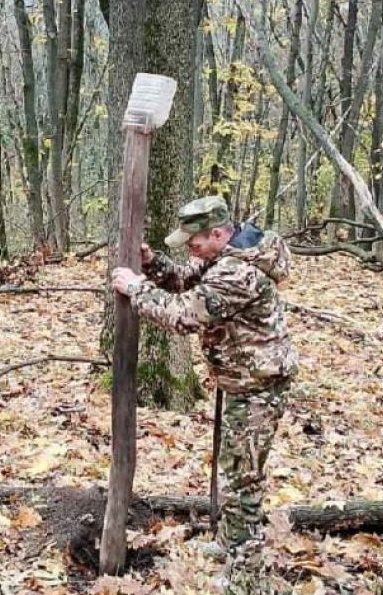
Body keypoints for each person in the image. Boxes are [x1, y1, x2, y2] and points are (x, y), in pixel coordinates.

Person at [110, 195, 298, 595]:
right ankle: (230, 544)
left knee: (243, 479)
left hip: (259, 387)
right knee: (233, 467)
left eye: (193, 241)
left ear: (216, 233)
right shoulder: (222, 255)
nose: (189, 248)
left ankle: (246, 576)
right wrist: (154, 266)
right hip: (242, 381)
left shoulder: (237, 273)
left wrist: (136, 288)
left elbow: (183, 315)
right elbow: (185, 280)